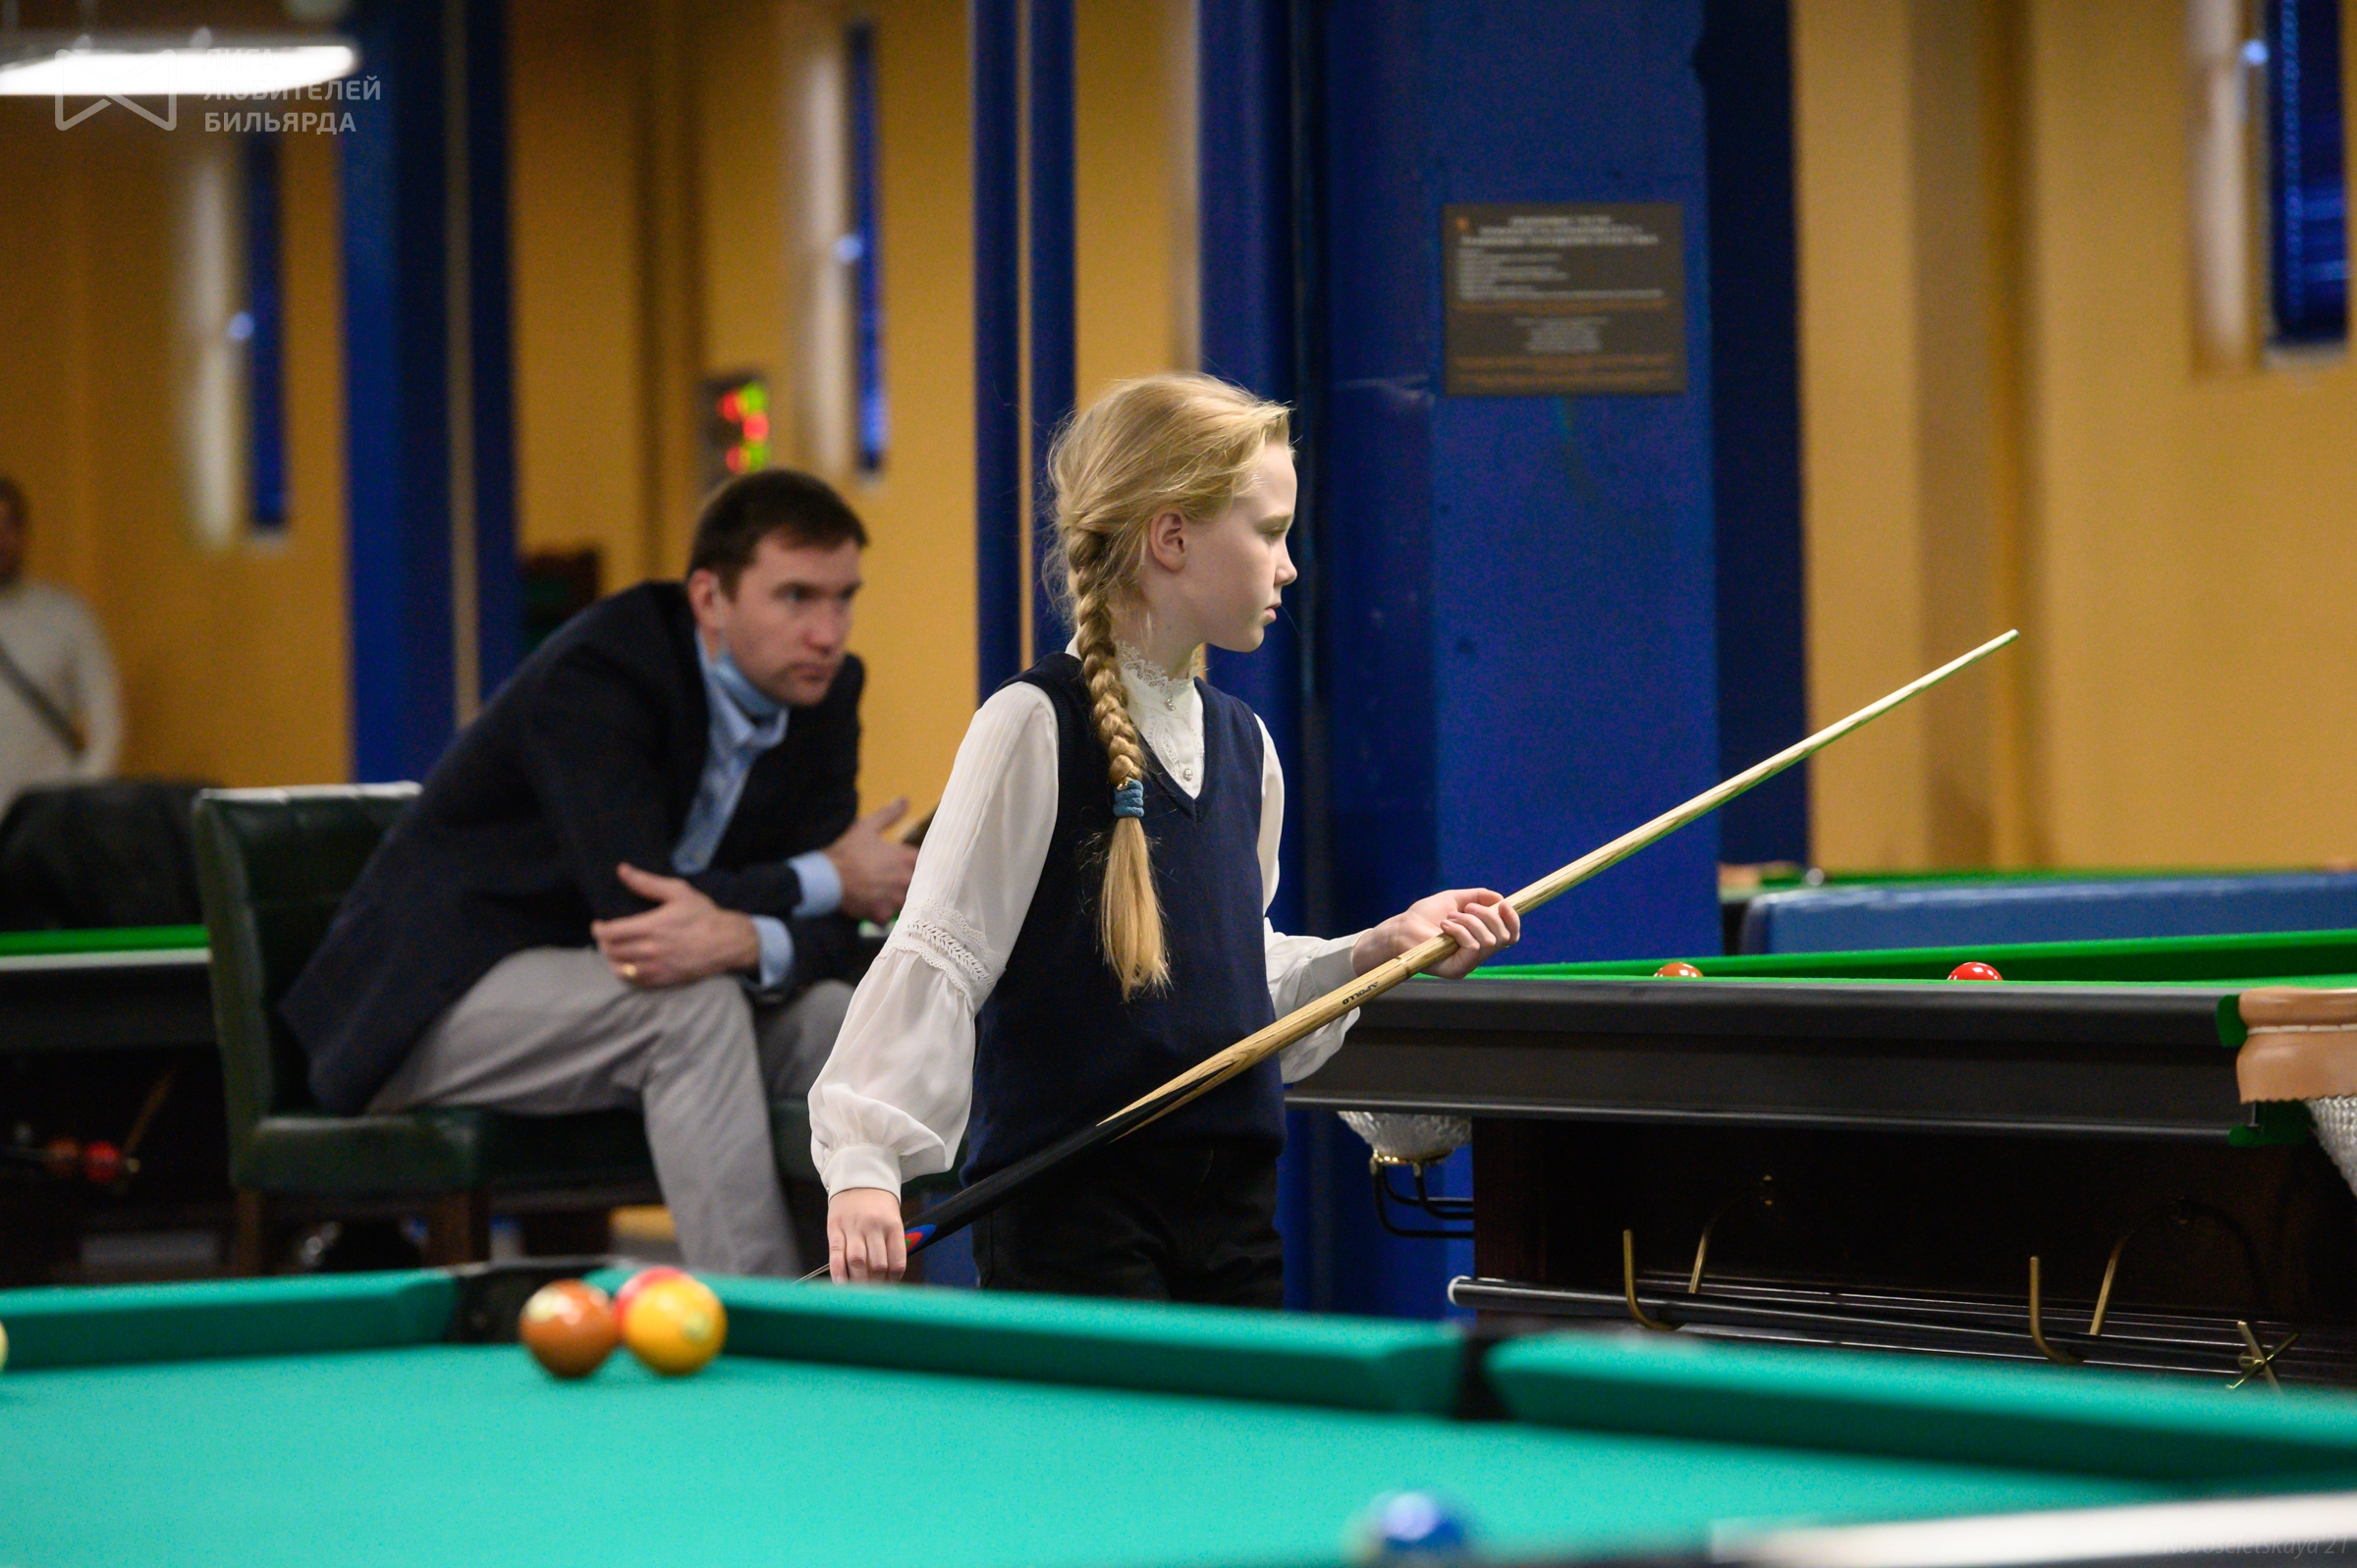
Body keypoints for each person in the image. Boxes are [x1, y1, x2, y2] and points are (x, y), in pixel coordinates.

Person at [810, 373, 1519, 1302]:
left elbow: (1232, 978)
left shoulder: (1246, 745)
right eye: (1269, 532)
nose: (1288, 566)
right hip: (1074, 1225)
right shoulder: (1033, 725)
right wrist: (866, 1159)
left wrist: (1372, 951)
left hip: (1237, 1217)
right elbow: (943, 949)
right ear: (1172, 538)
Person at [283, 469, 918, 1276]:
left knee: (843, 1018)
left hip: (614, 996)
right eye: (796, 597)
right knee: (690, 1011)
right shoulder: (601, 670)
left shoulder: (826, 693)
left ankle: (864, 1314)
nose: (827, 633)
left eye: (842, 598)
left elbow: (832, 936)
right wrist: (822, 877)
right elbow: (636, 906)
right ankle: (767, 1318)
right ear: (709, 597)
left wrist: (748, 933)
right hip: (434, 1002)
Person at [0, 477, 122, 818]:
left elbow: (107, 721)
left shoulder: (64, 616)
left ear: (24, 534)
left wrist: (77, 800)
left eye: (8, 526)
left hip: (45, 814)